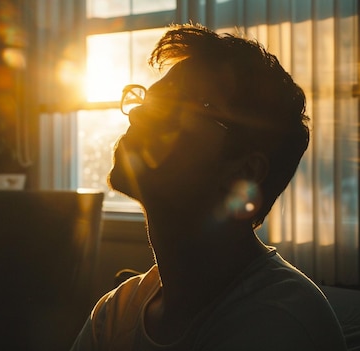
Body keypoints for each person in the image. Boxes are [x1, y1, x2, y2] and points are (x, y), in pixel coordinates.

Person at [71, 23, 346, 350]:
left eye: (174, 108)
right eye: (149, 101)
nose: (140, 115)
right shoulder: (117, 311)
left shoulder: (276, 322)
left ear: (244, 171)